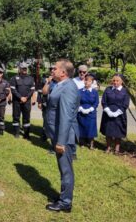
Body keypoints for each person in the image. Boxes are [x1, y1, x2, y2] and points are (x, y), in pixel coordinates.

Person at [45, 59, 79, 213]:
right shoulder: (61, 85)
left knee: (66, 170)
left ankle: (65, 203)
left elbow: (66, 116)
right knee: (63, 168)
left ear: (63, 72)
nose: (52, 70)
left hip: (63, 137)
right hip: (58, 134)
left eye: (55, 68)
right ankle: (64, 197)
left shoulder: (68, 88)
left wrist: (61, 142)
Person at [100, 74, 130, 154]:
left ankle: (117, 149)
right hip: (108, 114)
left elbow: (125, 104)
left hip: (120, 115)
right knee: (108, 131)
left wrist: (117, 113)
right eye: (114, 80)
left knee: (118, 132)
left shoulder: (125, 91)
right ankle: (108, 147)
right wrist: (108, 111)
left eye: (117, 81)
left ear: (122, 82)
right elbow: (103, 101)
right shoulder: (108, 89)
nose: (115, 82)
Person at [10, 62, 35, 139]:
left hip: (27, 102)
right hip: (17, 101)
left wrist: (26, 98)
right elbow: (13, 90)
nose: (24, 69)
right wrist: (20, 97)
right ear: (20, 69)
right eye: (23, 68)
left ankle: (26, 134)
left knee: (26, 117)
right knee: (16, 117)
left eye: (25, 68)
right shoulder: (14, 78)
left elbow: (32, 90)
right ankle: (16, 133)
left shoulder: (31, 78)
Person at [77, 74, 99, 149]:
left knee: (91, 128)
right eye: (86, 80)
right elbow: (77, 101)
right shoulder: (79, 91)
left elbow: (96, 103)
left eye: (89, 81)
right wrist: (81, 109)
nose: (87, 82)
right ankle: (82, 142)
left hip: (91, 113)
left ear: (92, 82)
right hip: (81, 111)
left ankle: (91, 144)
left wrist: (90, 109)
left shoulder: (94, 92)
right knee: (81, 127)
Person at [37, 66, 56, 149]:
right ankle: (44, 135)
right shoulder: (44, 79)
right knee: (45, 119)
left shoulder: (58, 81)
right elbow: (40, 92)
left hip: (54, 104)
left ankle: (53, 138)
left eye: (54, 70)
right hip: (45, 103)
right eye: (51, 70)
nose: (52, 72)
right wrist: (39, 101)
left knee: (53, 122)